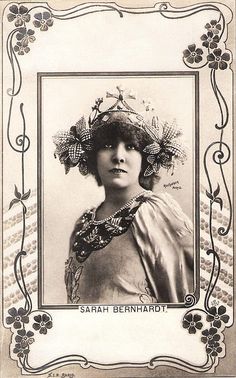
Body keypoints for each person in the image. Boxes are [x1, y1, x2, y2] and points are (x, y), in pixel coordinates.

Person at [53, 86, 194, 304]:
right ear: (92, 156)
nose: (118, 156)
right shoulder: (82, 224)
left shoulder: (155, 212)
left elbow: (186, 300)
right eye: (107, 145)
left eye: (131, 147)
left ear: (146, 158)